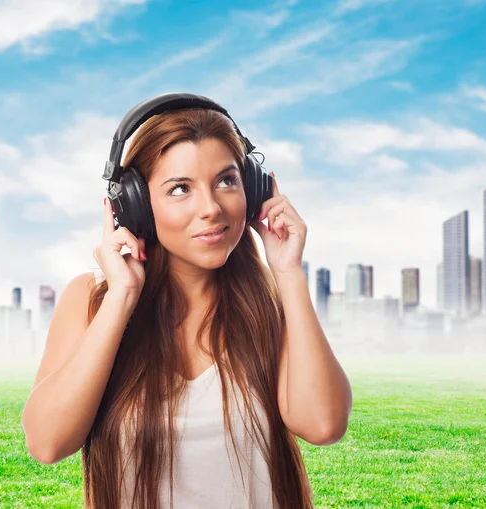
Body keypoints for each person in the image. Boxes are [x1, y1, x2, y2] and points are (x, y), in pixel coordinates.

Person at [21, 103, 352, 508]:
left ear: (253, 190)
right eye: (180, 188)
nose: (211, 207)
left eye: (226, 181)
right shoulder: (91, 300)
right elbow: (47, 442)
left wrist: (288, 274)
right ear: (134, 205)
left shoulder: (271, 301)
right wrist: (122, 297)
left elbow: (322, 424)